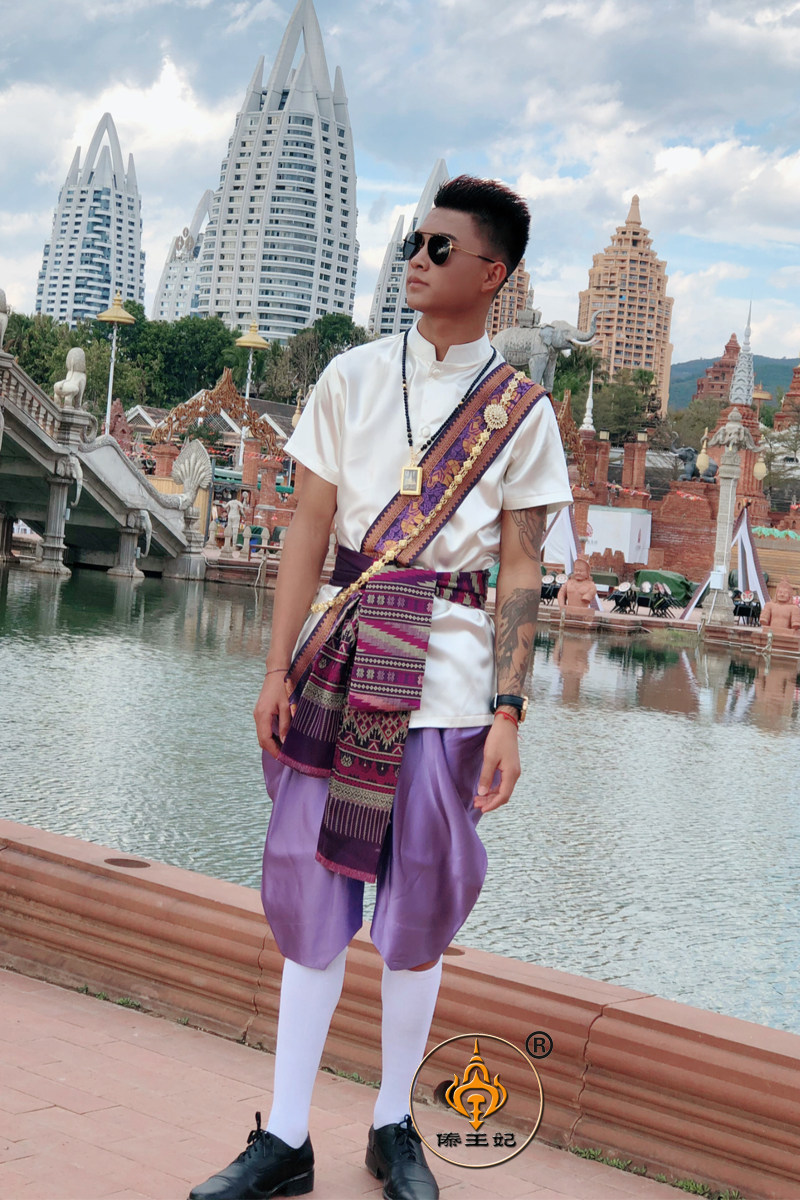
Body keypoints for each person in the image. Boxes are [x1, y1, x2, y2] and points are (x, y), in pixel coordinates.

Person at [189, 176, 573, 1200]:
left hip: (448, 687)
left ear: (491, 273)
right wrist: (274, 667)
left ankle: (393, 1123)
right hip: (339, 670)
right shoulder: (352, 377)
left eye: (441, 248)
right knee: (310, 895)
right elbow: (309, 530)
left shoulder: (522, 411)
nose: (417, 258)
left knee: (419, 910)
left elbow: (522, 570)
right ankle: (284, 1136)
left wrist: (509, 711)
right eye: (414, 242)